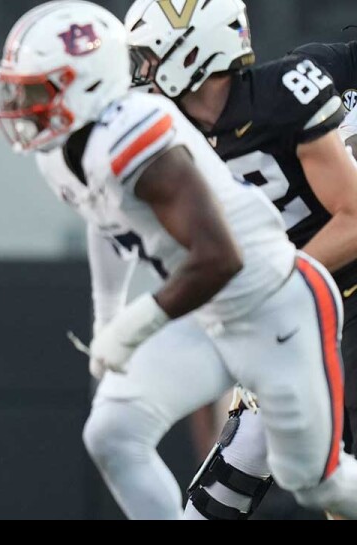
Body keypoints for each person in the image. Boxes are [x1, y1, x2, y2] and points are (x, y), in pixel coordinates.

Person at [0, 0, 357, 519]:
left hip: (288, 298)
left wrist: (134, 324)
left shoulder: (274, 93)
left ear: (190, 54)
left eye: (145, 58)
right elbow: (107, 223)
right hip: (219, 307)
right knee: (136, 447)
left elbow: (226, 256)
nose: (136, 73)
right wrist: (107, 318)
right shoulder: (101, 140)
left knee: (317, 485)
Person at [126, 0, 357, 518]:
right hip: (306, 298)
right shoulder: (310, 74)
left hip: (329, 294)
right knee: (230, 476)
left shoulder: (285, 90)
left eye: (149, 59)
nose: (142, 76)